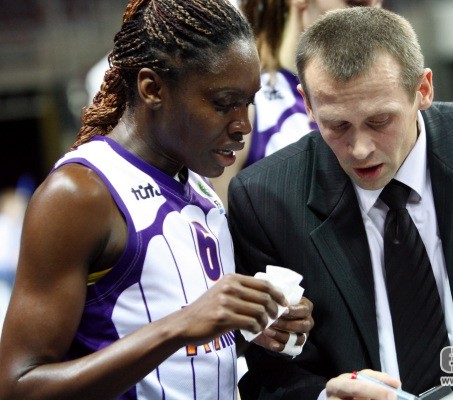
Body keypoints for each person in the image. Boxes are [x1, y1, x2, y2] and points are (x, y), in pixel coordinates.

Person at [227, 7, 453, 400]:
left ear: (423, 89)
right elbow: (270, 372)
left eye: (379, 121)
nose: (360, 149)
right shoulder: (265, 199)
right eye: (337, 125)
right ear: (308, 103)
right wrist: (324, 398)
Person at [0, 1, 313, 399]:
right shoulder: (80, 194)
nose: (243, 126)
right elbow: (18, 386)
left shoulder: (199, 186)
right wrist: (179, 326)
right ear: (152, 89)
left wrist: (253, 328)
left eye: (248, 103)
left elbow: (181, 358)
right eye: (223, 104)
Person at [211, 0, 382, 209]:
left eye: (378, 3)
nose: (372, 15)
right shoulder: (247, 102)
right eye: (356, 2)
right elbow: (215, 219)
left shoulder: (377, 98)